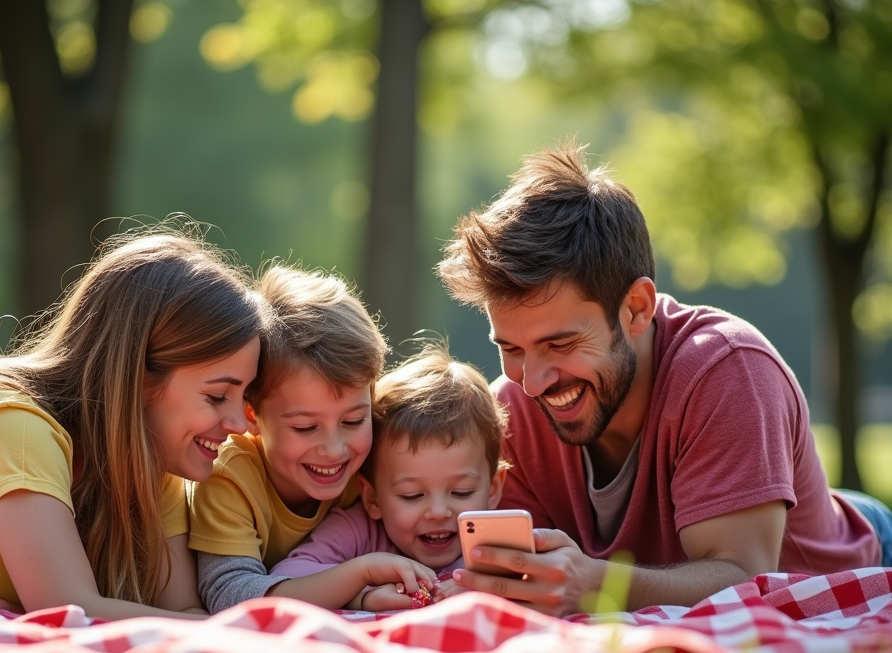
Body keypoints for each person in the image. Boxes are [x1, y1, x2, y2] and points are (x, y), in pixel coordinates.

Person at [436, 140, 892, 616]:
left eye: (560, 344)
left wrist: (596, 585)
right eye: (509, 348)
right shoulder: (512, 407)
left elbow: (744, 576)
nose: (531, 383)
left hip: (863, 549)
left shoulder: (728, 370)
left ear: (636, 308)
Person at [0, 222, 268, 620]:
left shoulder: (154, 464)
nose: (238, 423)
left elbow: (182, 611)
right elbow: (71, 612)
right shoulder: (10, 424)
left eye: (244, 395)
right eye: (217, 396)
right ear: (137, 379)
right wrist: (54, 611)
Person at [190, 265, 433, 613]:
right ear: (251, 416)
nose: (334, 449)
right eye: (305, 427)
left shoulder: (376, 465)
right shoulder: (230, 478)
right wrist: (357, 576)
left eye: (353, 420)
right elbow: (230, 595)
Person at [271, 342, 509, 610]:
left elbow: (538, 582)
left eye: (462, 492)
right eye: (412, 495)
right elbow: (284, 581)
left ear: (492, 490)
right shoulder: (359, 530)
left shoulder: (502, 538)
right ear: (372, 498)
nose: (439, 512)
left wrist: (492, 587)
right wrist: (362, 582)